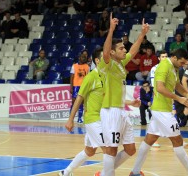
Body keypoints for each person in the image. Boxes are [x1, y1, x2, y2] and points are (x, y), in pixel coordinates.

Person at [60, 48, 141, 176]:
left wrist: (129, 102)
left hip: (105, 118)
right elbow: (79, 98)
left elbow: (109, 97)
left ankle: (66, 172)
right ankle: (104, 174)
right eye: (104, 57)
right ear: (97, 61)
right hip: (94, 119)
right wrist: (70, 119)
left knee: (90, 151)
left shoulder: (108, 75)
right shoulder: (91, 77)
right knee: (108, 149)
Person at [129, 49, 188, 176]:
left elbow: (177, 85)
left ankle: (135, 172)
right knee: (177, 140)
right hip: (161, 111)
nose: (183, 66)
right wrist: (179, 99)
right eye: (182, 63)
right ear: (175, 58)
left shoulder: (174, 67)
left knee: (149, 139)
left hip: (160, 109)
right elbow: (160, 88)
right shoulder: (164, 66)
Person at [94, 14, 150, 176]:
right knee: (111, 149)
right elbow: (105, 52)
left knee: (130, 149)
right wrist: (111, 30)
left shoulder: (120, 64)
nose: (124, 50)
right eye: (120, 48)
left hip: (121, 111)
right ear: (112, 52)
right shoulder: (107, 64)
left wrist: (142, 35)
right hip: (110, 111)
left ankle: (104, 172)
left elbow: (132, 52)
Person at [70, 54, 90, 123]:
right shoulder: (74, 66)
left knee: (81, 103)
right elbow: (72, 77)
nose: (84, 58)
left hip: (83, 86)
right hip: (76, 86)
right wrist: (71, 87)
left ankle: (79, 118)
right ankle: (71, 118)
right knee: (73, 102)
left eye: (85, 57)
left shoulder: (87, 66)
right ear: (79, 58)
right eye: (82, 57)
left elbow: (88, 78)